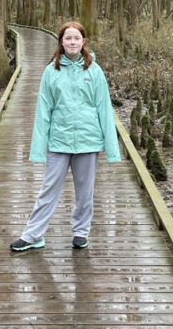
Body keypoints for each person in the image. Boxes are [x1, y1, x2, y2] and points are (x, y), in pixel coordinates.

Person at [10, 21, 122, 252]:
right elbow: (43, 111)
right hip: (58, 141)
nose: (72, 42)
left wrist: (112, 150)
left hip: (88, 141)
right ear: (61, 42)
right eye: (68, 38)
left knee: (85, 192)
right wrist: (38, 149)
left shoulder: (95, 71)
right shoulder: (52, 71)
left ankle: (81, 233)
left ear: (83, 42)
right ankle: (33, 235)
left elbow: (104, 108)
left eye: (76, 38)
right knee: (48, 189)